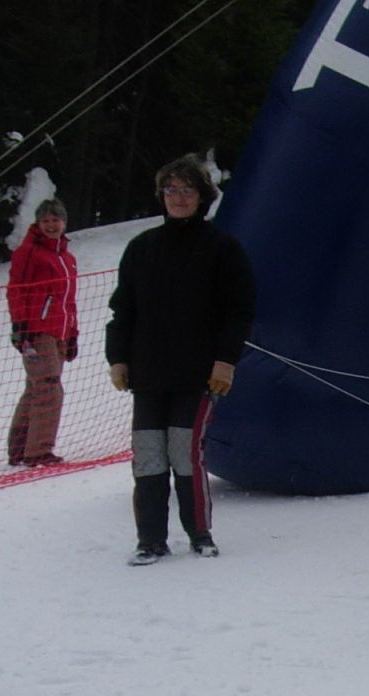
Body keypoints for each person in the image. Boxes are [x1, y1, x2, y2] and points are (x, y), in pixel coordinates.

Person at [106, 155, 257, 565]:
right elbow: (123, 311)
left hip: (198, 376)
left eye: (187, 190)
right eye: (170, 190)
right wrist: (118, 358)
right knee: (148, 458)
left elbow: (239, 311)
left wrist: (225, 360)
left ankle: (200, 533)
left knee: (185, 454)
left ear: (201, 196)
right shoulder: (141, 248)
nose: (178, 197)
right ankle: (151, 539)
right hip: (148, 375)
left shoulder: (223, 250)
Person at [5, 197, 78, 467]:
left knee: (36, 387)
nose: (50, 225)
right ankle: (38, 451)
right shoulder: (29, 252)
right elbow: (16, 290)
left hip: (59, 331)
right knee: (49, 388)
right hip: (37, 331)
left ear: (64, 222)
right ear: (37, 223)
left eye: (55, 220)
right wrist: (20, 327)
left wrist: (73, 333)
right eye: (45, 220)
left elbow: (68, 300)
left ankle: (20, 448)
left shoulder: (66, 258)